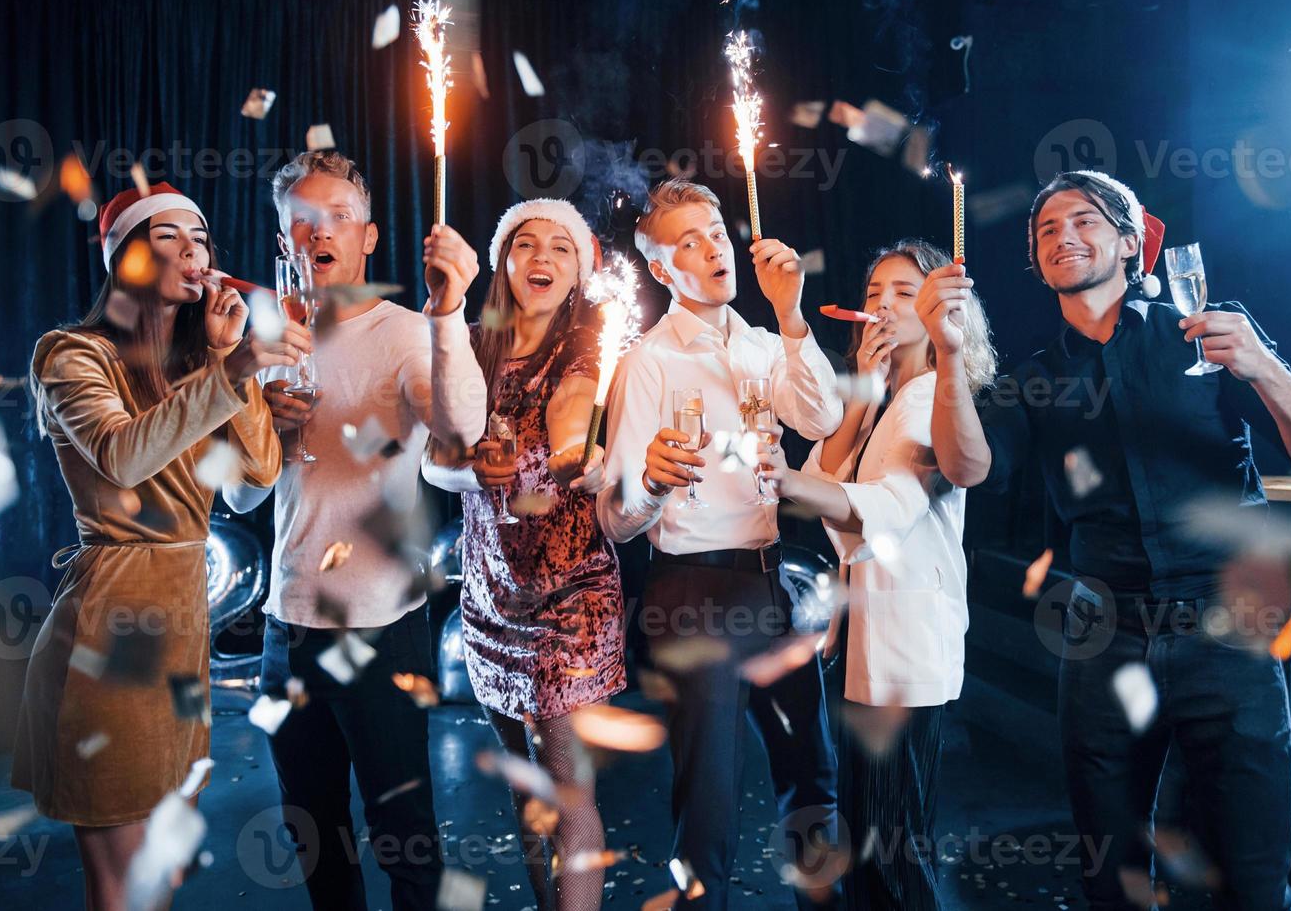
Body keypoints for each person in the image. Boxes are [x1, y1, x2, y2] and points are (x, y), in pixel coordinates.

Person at [919, 170, 1291, 910]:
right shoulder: (1035, 379)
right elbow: (966, 466)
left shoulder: (1209, 334)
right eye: (1047, 230)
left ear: (1132, 245)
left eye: (1085, 221)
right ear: (1036, 262)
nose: (1063, 236)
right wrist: (948, 354)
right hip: (1102, 640)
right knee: (1113, 880)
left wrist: (1261, 366)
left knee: (1254, 881)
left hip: (1231, 635)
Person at [15, 182, 303, 910]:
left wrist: (229, 356)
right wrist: (231, 373)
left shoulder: (197, 366)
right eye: (166, 237)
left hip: (181, 637)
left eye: (200, 238)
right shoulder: (71, 354)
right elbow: (120, 455)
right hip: (109, 632)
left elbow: (255, 481)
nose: (191, 252)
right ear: (123, 262)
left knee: (164, 876)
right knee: (124, 884)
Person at [221, 150, 486, 911]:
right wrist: (258, 421)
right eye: (302, 221)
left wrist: (451, 310)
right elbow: (241, 502)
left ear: (368, 237)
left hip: (381, 628)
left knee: (406, 839)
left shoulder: (409, 331)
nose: (320, 232)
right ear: (284, 244)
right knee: (317, 842)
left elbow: (462, 425)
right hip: (287, 631)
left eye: (339, 216)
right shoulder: (261, 343)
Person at [597, 177, 843, 910]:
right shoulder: (647, 362)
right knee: (708, 805)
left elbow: (823, 416)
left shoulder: (768, 343)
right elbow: (615, 519)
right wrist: (650, 480)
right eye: (688, 242)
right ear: (663, 270)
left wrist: (793, 314)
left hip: (773, 585)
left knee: (814, 777)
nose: (712, 248)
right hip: (693, 593)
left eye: (714, 231)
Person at [754, 239, 997, 910]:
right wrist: (861, 389)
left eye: (902, 292)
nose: (883, 305)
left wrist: (782, 479)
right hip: (868, 640)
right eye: (873, 294)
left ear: (940, 308)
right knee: (869, 841)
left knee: (893, 852)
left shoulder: (929, 399)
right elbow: (826, 479)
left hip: (907, 645)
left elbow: (883, 506)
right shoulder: (895, 397)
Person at [422, 197, 624, 911]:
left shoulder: (591, 342)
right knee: (527, 794)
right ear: (502, 260)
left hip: (571, 597)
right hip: (488, 597)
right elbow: (434, 459)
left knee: (567, 791)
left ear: (578, 271)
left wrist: (578, 456)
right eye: (525, 243)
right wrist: (468, 470)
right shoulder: (464, 341)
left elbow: (574, 411)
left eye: (560, 248)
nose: (541, 258)